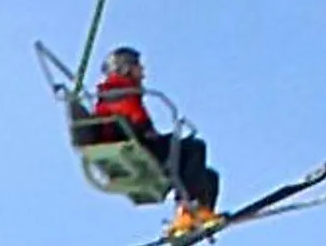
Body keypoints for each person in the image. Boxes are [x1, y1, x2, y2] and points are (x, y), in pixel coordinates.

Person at [76, 44, 221, 232]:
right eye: (138, 67)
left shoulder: (118, 92)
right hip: (135, 147)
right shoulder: (118, 91)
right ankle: (188, 210)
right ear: (126, 68)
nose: (142, 73)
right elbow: (129, 118)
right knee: (194, 148)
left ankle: (200, 212)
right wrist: (145, 130)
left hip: (137, 143)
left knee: (209, 176)